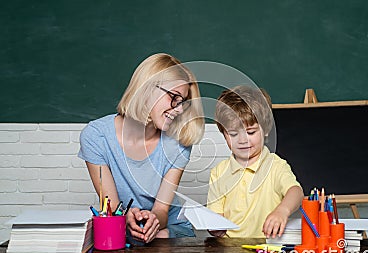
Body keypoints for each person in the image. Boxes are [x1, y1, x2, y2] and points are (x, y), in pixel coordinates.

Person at [78, 53, 204, 243]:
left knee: (161, 235)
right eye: (174, 98)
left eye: (183, 103)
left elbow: (162, 210)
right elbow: (110, 206)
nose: (179, 110)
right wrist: (124, 217)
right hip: (122, 230)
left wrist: (153, 220)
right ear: (147, 89)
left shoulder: (178, 143)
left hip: (168, 231)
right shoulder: (96, 137)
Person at [207, 85, 303, 238]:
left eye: (250, 132)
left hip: (268, 249)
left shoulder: (275, 165)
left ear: (265, 129)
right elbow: (216, 218)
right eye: (233, 134)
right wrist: (214, 228)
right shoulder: (218, 172)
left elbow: (296, 192)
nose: (243, 140)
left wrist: (282, 211)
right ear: (223, 134)